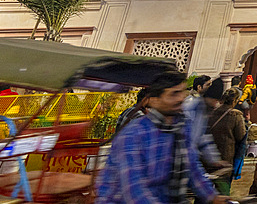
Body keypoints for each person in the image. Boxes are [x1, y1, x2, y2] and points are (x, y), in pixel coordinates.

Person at [95, 71, 229, 203]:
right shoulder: (134, 134)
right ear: (153, 100)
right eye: (173, 94)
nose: (180, 98)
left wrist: (213, 197)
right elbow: (134, 190)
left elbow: (192, 167)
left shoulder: (182, 127)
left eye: (182, 92)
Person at [207, 89, 246, 195]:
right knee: (223, 192)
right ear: (235, 101)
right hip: (225, 160)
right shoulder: (236, 116)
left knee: (206, 192)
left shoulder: (211, 112)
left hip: (207, 158)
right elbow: (241, 137)